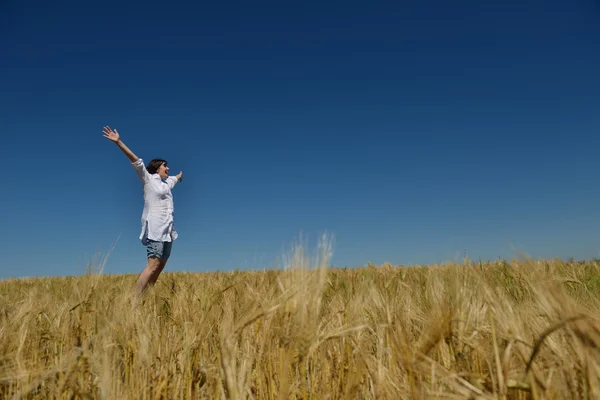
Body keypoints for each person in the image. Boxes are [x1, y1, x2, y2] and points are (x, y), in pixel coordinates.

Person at [103, 126, 183, 297]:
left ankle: (147, 296)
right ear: (157, 169)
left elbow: (174, 179)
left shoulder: (166, 183)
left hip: (168, 230)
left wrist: (179, 176)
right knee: (152, 265)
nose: (167, 169)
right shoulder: (148, 179)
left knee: (160, 265)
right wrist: (118, 142)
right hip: (155, 228)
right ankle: (135, 301)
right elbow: (136, 160)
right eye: (165, 166)